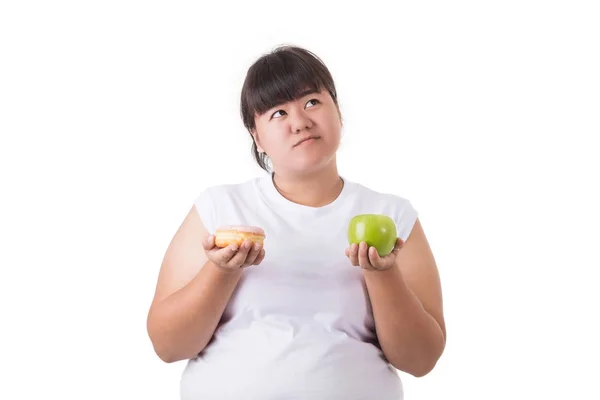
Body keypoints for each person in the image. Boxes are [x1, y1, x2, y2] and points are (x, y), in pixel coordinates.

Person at [146, 45, 446, 399]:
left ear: (338, 110)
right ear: (257, 137)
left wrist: (383, 274)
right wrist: (222, 272)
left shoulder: (390, 215)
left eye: (312, 103)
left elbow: (421, 360)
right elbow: (168, 346)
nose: (299, 121)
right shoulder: (220, 208)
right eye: (277, 113)